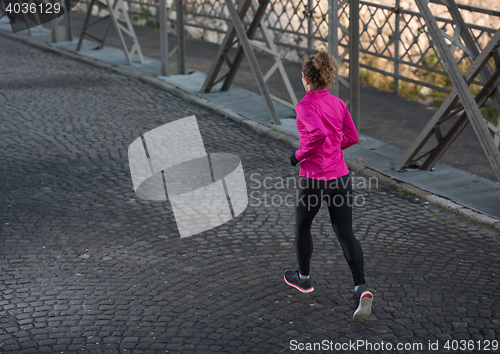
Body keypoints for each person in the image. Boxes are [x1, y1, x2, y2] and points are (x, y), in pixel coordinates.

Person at [283, 51, 373, 320]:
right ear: (327, 77)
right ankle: (361, 287)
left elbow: (318, 134)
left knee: (303, 225)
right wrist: (335, 148)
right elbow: (352, 137)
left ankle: (304, 278)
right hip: (341, 178)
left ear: (306, 78)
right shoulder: (338, 103)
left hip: (314, 179)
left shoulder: (304, 106)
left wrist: (299, 155)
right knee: (346, 232)